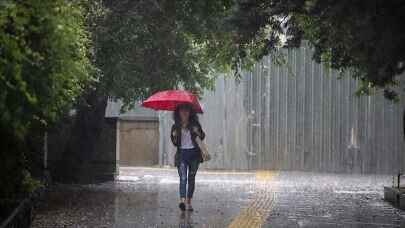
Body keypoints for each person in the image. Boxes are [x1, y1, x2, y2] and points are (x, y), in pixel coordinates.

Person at [170, 103, 205, 211]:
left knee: (191, 178)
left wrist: (197, 131)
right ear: (178, 112)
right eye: (182, 110)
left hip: (194, 155)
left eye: (187, 110)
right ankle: (182, 201)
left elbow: (202, 136)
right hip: (182, 155)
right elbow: (175, 143)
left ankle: (189, 202)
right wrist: (174, 136)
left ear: (190, 113)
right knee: (183, 178)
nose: (184, 112)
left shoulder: (195, 124)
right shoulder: (175, 126)